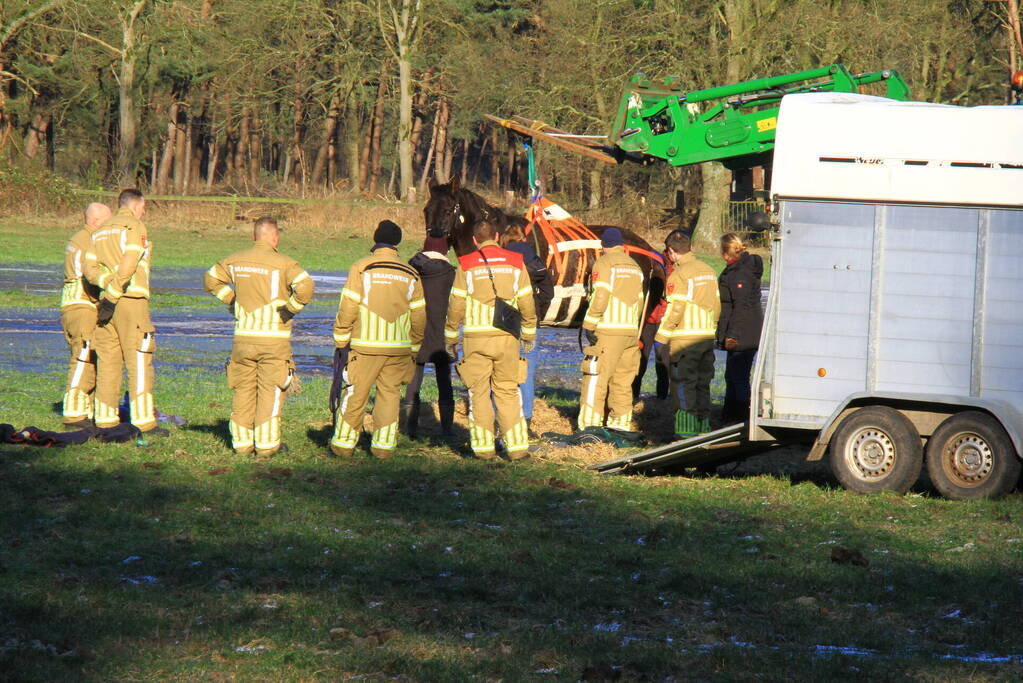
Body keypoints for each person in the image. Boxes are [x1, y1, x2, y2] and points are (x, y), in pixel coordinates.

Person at [203, 217, 314, 456]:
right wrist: (290, 309)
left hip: (242, 339)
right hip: (273, 340)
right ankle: (266, 445)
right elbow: (306, 288)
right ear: (275, 237)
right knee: (271, 390)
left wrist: (231, 299)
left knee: (243, 389)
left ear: (254, 236)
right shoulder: (284, 262)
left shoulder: (235, 260)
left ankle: (241, 444)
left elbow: (210, 279)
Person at [330, 221, 426, 458]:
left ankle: (343, 445)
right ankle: (383, 448)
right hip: (398, 349)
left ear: (375, 240)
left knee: (356, 394)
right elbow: (419, 315)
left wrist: (341, 338)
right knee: (389, 396)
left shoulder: (361, 267)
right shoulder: (411, 273)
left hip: (365, 346)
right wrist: (414, 346)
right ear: (398, 243)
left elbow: (349, 305)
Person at [445, 219, 537, 460]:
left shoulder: (465, 265)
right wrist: (528, 331)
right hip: (507, 337)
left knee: (478, 392)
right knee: (508, 391)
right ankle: (517, 449)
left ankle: (483, 449)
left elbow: (456, 304)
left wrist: (451, 337)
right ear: (497, 237)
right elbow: (527, 300)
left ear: (475, 240)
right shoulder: (516, 262)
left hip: (476, 338)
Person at [90, 189, 168, 436]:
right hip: (130, 300)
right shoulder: (134, 225)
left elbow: (89, 267)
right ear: (137, 204)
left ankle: (104, 420)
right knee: (139, 360)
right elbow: (130, 260)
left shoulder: (100, 229)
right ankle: (144, 422)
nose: (144, 211)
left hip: (105, 305)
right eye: (144, 207)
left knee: (108, 362)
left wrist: (105, 286)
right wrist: (114, 291)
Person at [654, 230, 720, 438]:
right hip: (706, 337)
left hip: (684, 341)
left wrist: (660, 339)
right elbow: (717, 306)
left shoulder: (679, 275)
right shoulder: (709, 270)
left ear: (671, 251)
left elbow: (675, 310)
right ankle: (704, 431)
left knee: (683, 385)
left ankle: (685, 433)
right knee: (703, 385)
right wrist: (712, 328)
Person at [578, 227, 645, 431]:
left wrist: (589, 323)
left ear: (604, 246)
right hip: (630, 332)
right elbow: (640, 301)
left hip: (608, 331)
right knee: (623, 381)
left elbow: (601, 296)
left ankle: (589, 427)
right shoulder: (635, 266)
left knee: (595, 377)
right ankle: (620, 425)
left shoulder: (604, 263)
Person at [59, 202, 111, 429]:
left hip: (73, 305)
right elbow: (91, 276)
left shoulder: (78, 238)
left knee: (89, 356)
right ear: (95, 221)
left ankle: (86, 409)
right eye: (107, 221)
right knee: (84, 356)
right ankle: (74, 414)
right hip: (83, 306)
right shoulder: (89, 240)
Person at [402, 235, 456, 439]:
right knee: (445, 381)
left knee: (413, 380)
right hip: (441, 334)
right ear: (444, 252)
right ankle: (447, 431)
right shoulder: (450, 274)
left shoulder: (411, 270)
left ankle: (410, 430)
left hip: (415, 331)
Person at [500, 223, 553, 429]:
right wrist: (537, 309)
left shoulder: (503, 260)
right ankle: (527, 419)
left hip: (505, 322)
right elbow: (549, 294)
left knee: (501, 372)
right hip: (531, 323)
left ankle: (502, 419)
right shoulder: (537, 261)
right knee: (526, 372)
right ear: (523, 239)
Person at [716, 232, 764, 424]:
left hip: (744, 333)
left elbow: (741, 307)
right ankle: (729, 416)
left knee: (738, 377)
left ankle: (742, 418)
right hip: (743, 331)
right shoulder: (737, 269)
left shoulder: (739, 274)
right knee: (732, 375)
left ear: (726, 252)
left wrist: (732, 335)